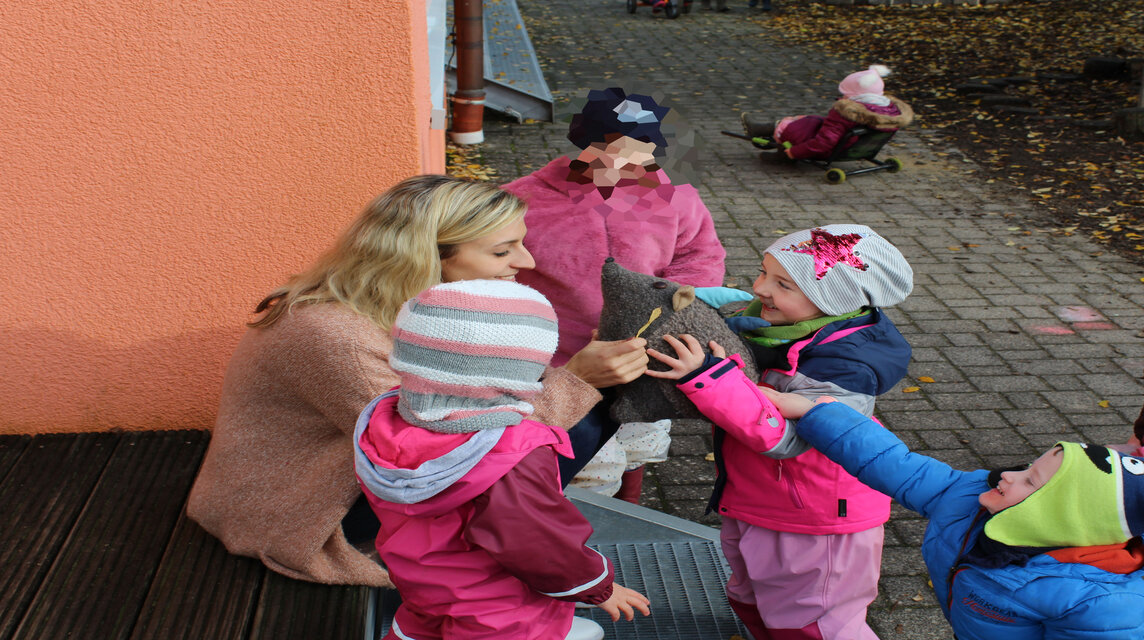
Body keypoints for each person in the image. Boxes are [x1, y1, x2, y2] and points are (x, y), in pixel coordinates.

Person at [186, 175, 632, 586]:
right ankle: (512, 578)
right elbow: (437, 447)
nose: (526, 261)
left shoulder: (400, 305)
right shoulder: (338, 337)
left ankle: (525, 541)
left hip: (335, 479)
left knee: (594, 402)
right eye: (502, 251)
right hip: (302, 513)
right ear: (425, 255)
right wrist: (577, 381)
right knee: (585, 416)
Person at [645, 224, 914, 639]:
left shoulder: (847, 367)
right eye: (763, 272)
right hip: (763, 501)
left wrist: (710, 378)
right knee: (751, 600)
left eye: (782, 283)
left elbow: (789, 440)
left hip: (816, 519)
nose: (759, 288)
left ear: (832, 299)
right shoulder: (775, 326)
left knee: (815, 625)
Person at [354, 279, 651, 640]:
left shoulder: (384, 421)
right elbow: (537, 539)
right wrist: (597, 586)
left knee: (423, 626)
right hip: (496, 605)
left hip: (422, 579)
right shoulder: (512, 454)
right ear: (517, 374)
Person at [760, 391, 1144, 639]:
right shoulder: (971, 496)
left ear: (1058, 517)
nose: (1007, 474)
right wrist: (817, 412)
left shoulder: (1101, 605)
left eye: (1029, 480)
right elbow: (895, 464)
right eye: (1025, 466)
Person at [504, 86, 726, 501]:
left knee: (638, 438)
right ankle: (584, 526)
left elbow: (699, 253)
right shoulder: (521, 199)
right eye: (613, 152)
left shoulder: (674, 195)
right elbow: (497, 266)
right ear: (585, 143)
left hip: (647, 347)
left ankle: (631, 506)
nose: (629, 165)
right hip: (558, 356)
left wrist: (673, 305)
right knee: (583, 459)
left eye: (642, 154)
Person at [740, 64, 913, 161]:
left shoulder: (846, 112)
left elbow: (824, 142)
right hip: (856, 146)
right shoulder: (891, 110)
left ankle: (777, 145)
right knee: (813, 120)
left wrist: (795, 152)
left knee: (797, 126)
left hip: (836, 148)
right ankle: (763, 130)